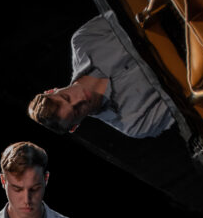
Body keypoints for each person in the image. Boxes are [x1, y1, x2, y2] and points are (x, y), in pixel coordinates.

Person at [27, 10, 176, 138]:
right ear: (75, 126)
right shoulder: (134, 124)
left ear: (52, 90)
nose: (80, 99)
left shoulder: (83, 41)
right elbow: (186, 102)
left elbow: (132, 8)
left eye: (67, 97)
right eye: (76, 111)